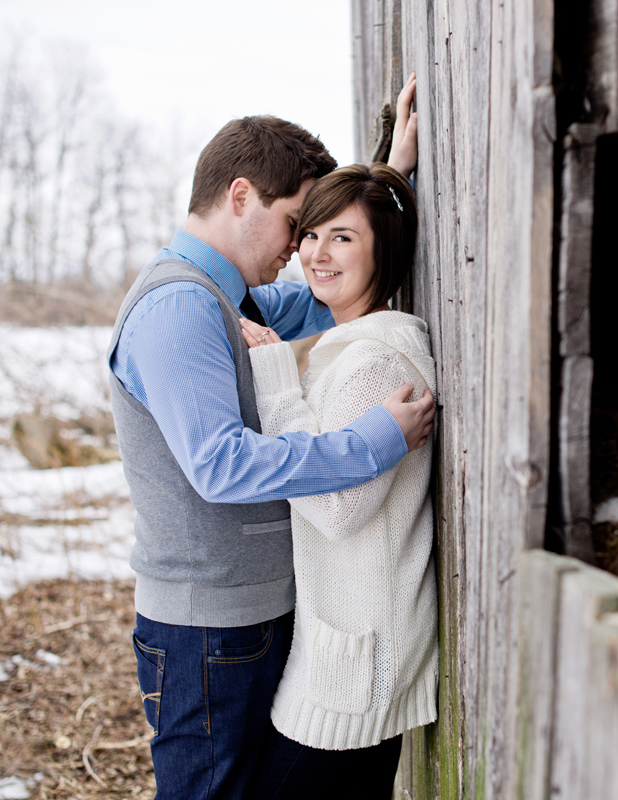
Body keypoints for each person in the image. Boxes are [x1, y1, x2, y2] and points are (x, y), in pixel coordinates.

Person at [107, 77, 429, 799]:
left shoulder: (225, 295)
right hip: (206, 633)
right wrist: (375, 441)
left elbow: (332, 283)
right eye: (294, 223)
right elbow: (220, 468)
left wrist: (389, 181)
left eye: (314, 230)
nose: (299, 247)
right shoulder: (179, 306)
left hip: (243, 622)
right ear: (242, 195)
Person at [238, 161, 435, 799]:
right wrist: (390, 157)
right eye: (311, 234)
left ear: (386, 248)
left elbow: (336, 510)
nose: (318, 254)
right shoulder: (351, 346)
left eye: (343, 238)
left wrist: (275, 383)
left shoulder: (372, 362)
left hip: (352, 666)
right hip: (341, 651)